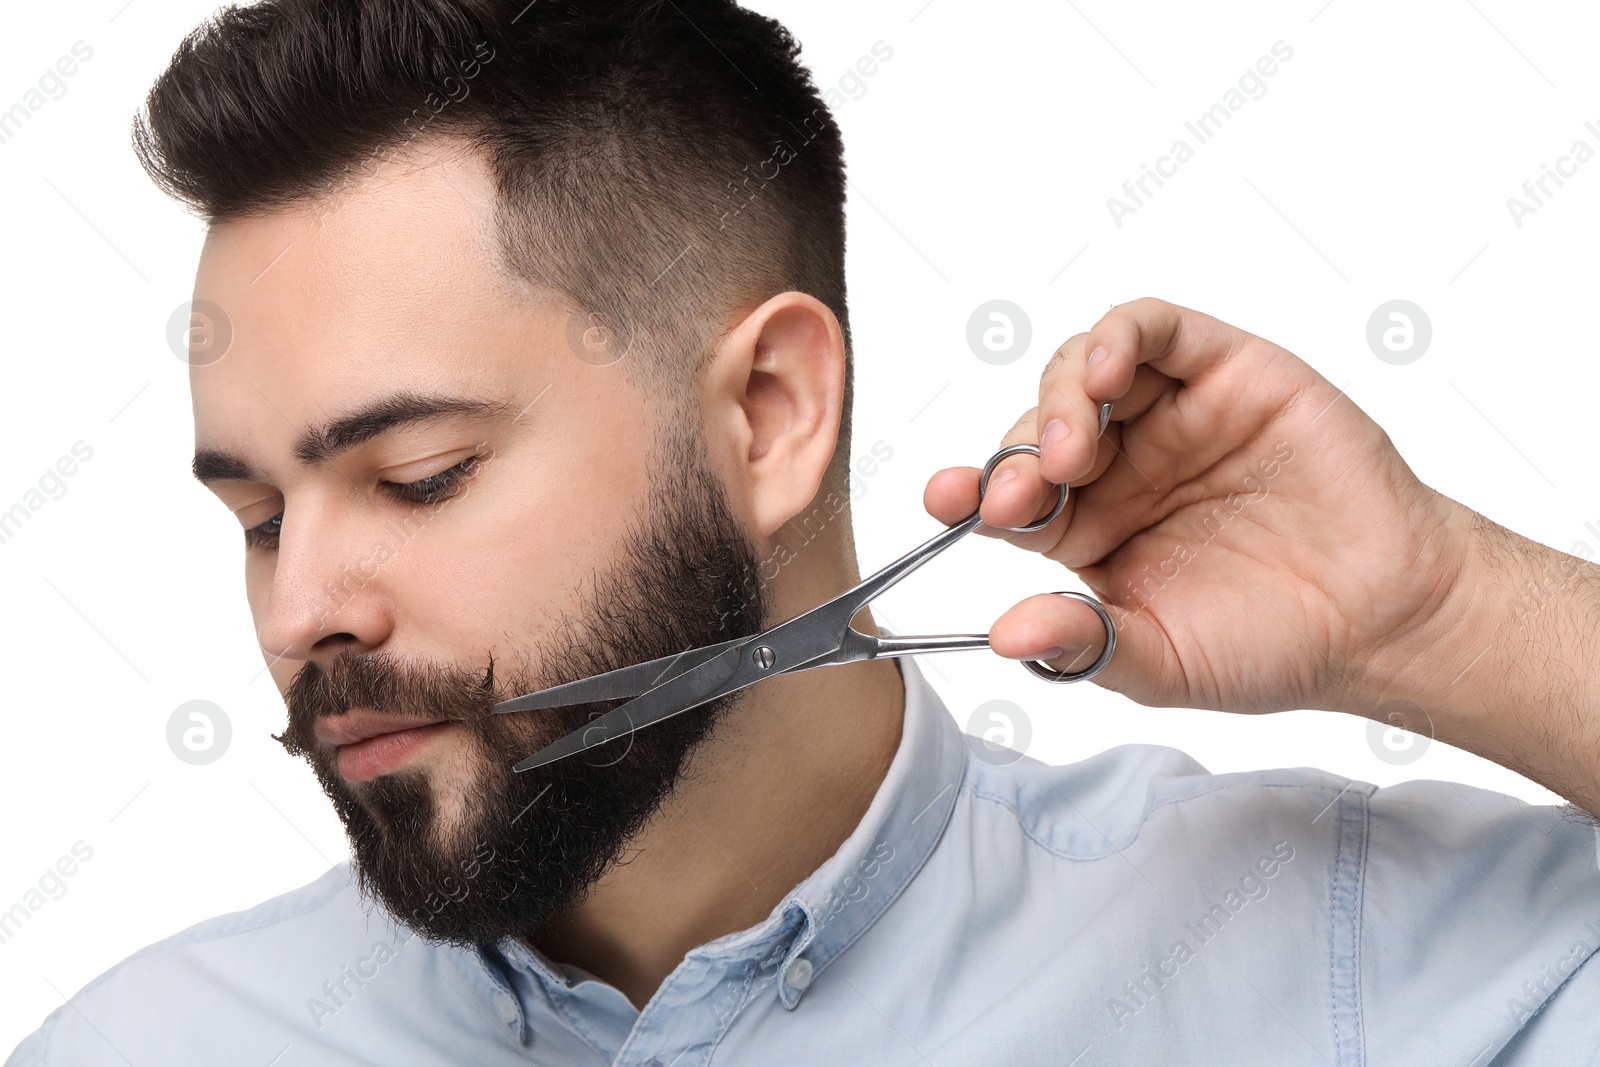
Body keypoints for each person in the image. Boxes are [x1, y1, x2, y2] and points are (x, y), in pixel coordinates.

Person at [10, 0, 1599, 1063]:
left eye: (419, 474)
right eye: (258, 516)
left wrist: (1445, 617)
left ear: (770, 413)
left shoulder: (1328, 966)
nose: (301, 612)